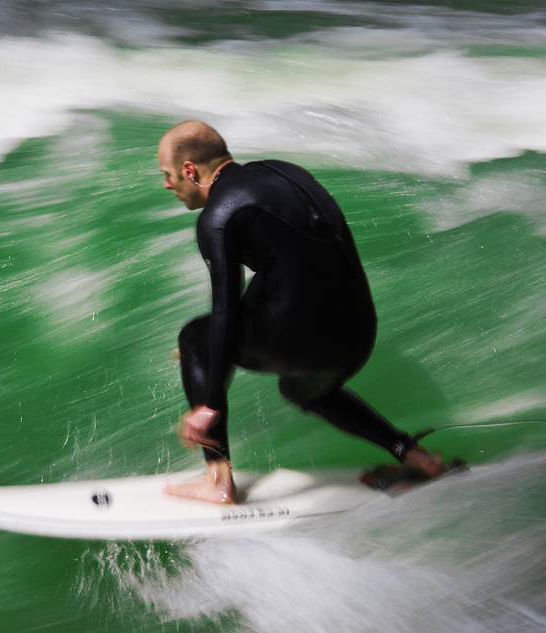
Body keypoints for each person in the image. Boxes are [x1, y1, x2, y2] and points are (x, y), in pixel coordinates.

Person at [157, 120, 445, 504]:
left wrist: (209, 405)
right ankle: (416, 456)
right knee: (301, 385)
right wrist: (222, 344)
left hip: (299, 338)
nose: (167, 185)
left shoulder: (218, 217)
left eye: (168, 175)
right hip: (358, 333)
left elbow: (225, 308)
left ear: (190, 170)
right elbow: (295, 265)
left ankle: (217, 479)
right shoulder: (284, 173)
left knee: (194, 338)